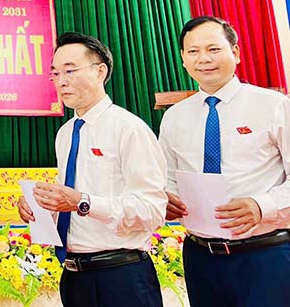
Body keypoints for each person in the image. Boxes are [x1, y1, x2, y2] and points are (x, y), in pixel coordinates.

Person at [18, 32, 167, 307]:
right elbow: (72, 203)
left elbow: (152, 210)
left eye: (70, 70)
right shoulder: (65, 133)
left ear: (100, 72)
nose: (61, 81)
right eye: (55, 73)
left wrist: (82, 202)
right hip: (74, 276)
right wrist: (41, 206)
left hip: (121, 275)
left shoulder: (129, 129)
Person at [159, 16, 290, 307]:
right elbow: (167, 176)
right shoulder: (174, 117)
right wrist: (167, 198)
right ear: (183, 59)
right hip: (201, 258)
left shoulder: (273, 106)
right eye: (193, 51)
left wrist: (261, 205)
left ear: (236, 53)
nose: (203, 59)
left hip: (265, 254)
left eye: (213, 49)